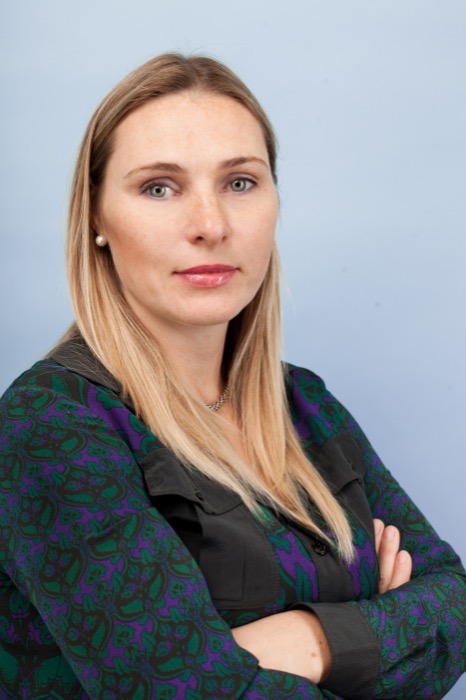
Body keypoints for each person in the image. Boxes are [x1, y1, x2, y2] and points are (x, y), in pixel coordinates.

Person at [0, 53, 464, 700]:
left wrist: (307, 641)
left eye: (240, 183)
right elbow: (185, 690)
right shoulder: (51, 427)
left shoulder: (305, 404)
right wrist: (379, 635)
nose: (211, 226)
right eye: (159, 188)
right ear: (97, 218)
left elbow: (454, 604)